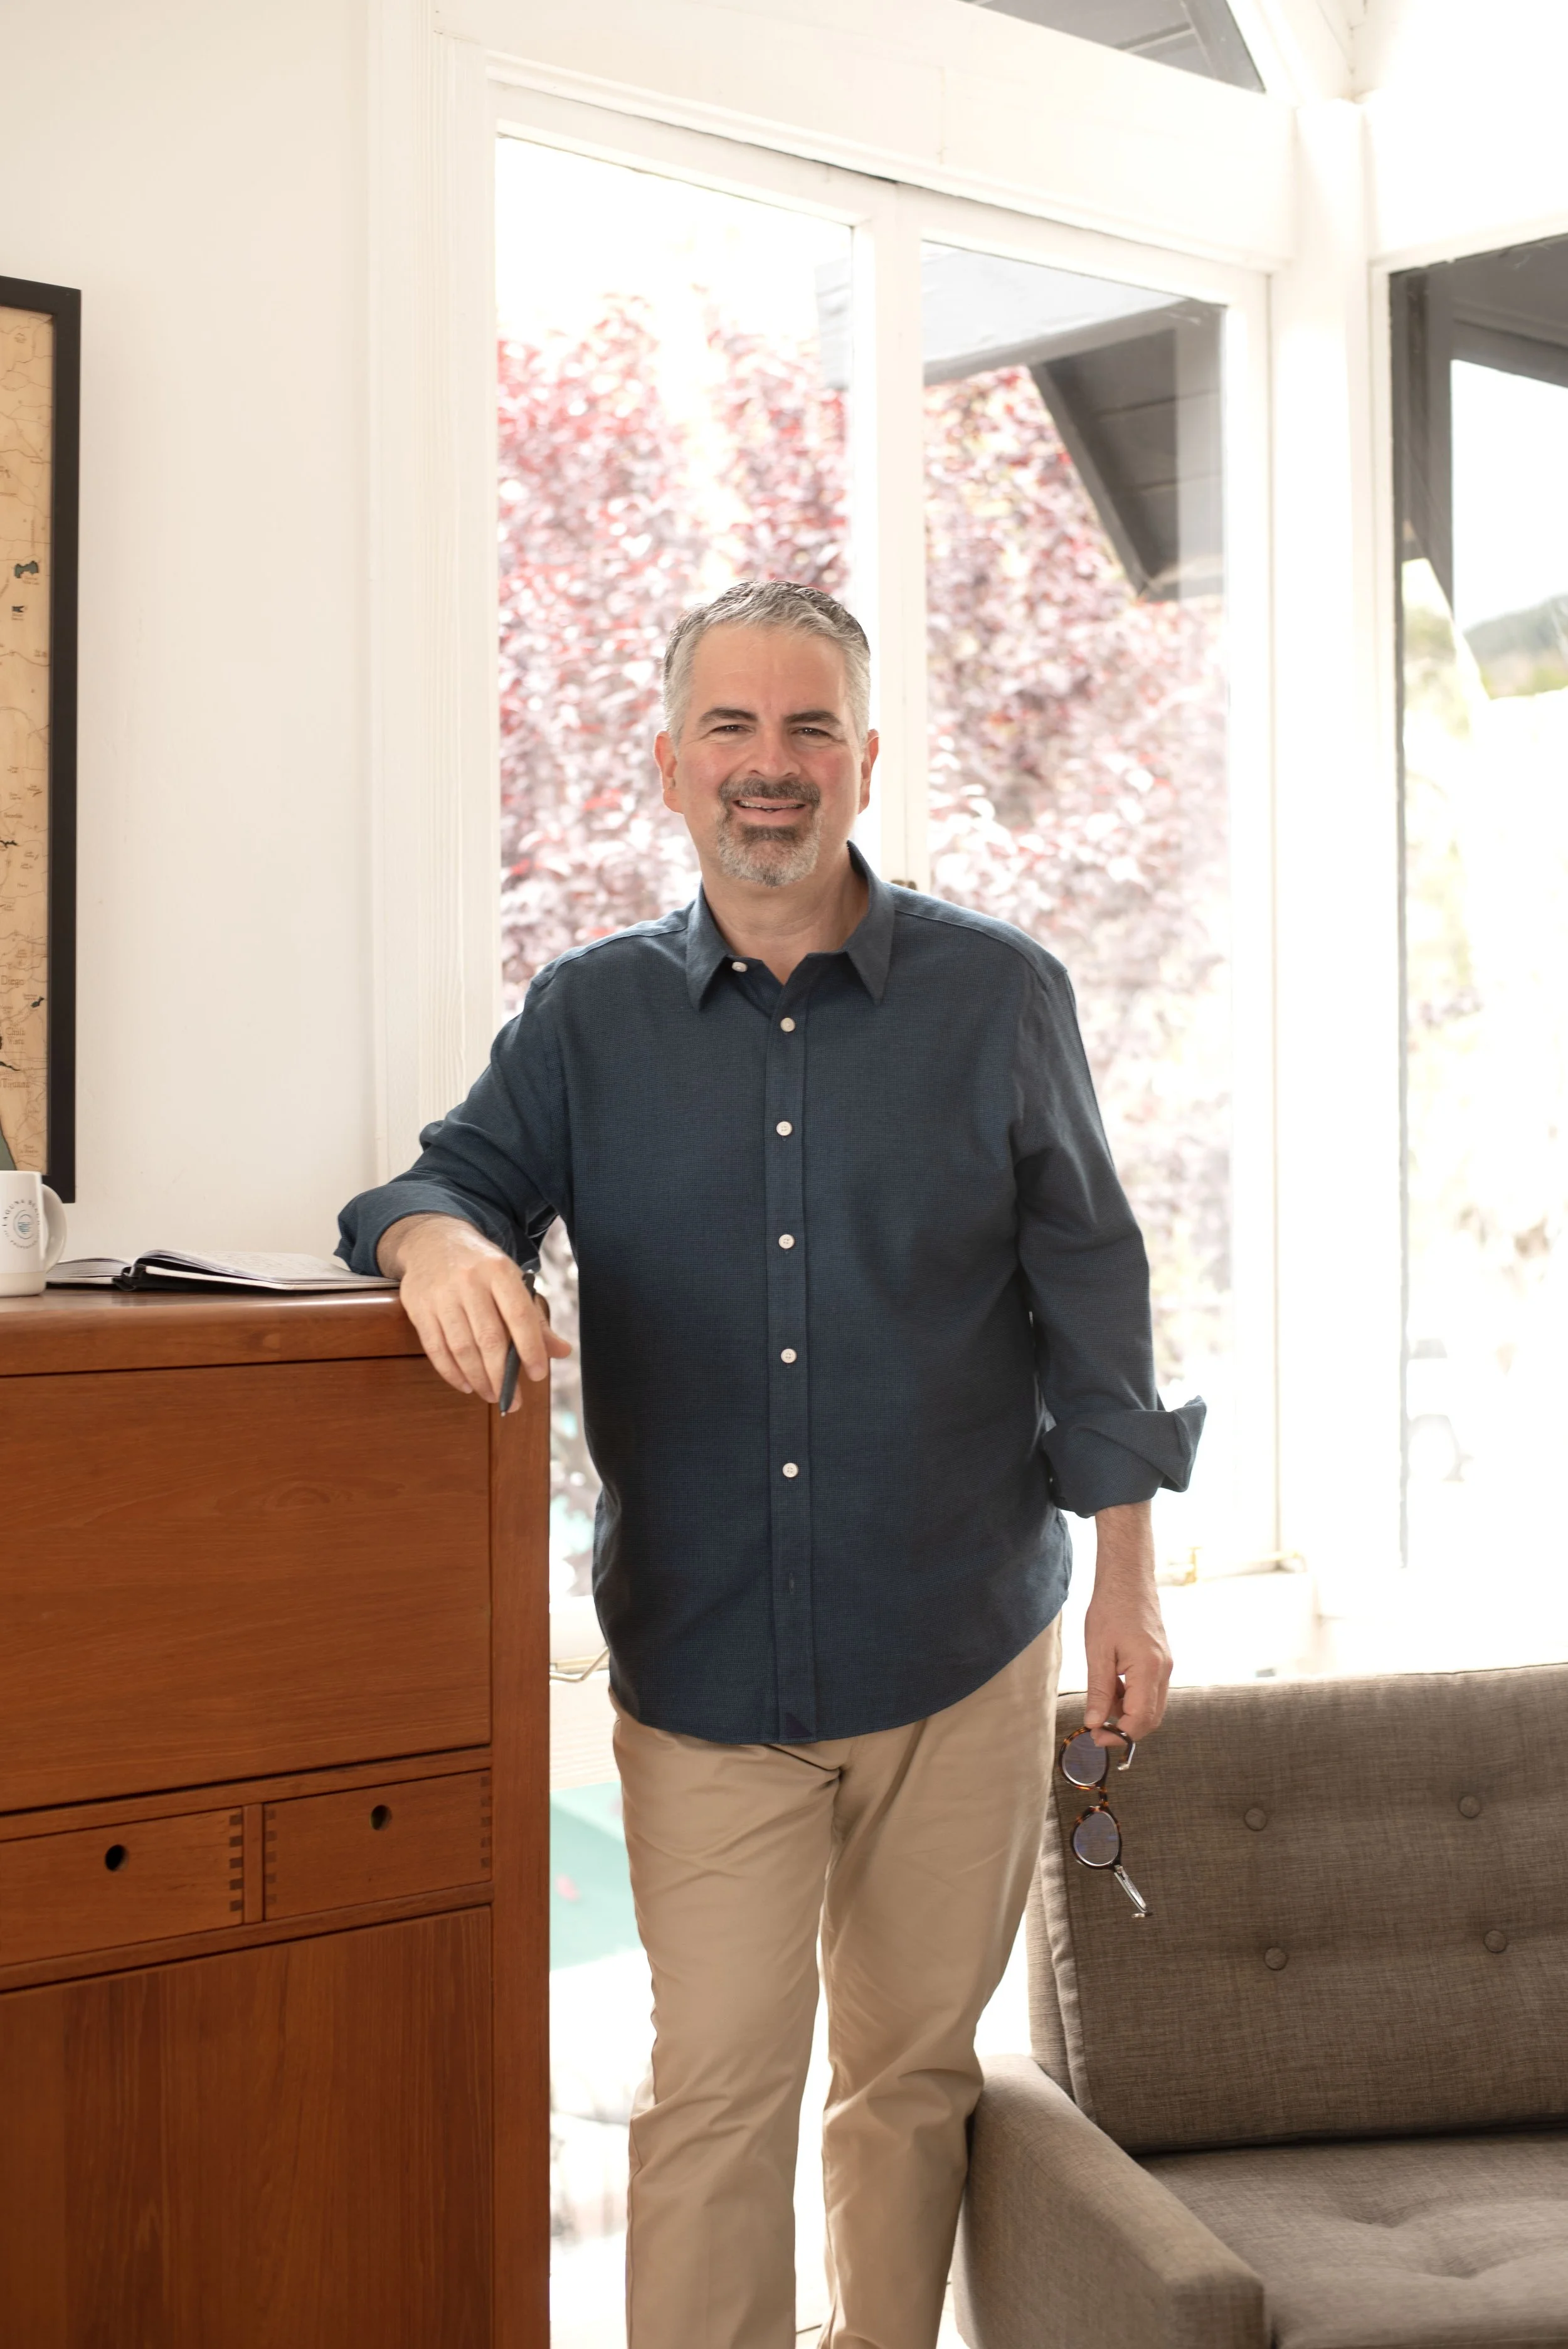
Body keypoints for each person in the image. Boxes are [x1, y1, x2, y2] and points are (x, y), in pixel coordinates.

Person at [337, 578, 1202, 2349]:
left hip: (958, 1646)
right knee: (714, 2099)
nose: (769, 765)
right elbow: (435, 1184)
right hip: (706, 1661)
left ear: (864, 762)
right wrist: (438, 1248)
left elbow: (1092, 1297)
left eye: (808, 727)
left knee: (907, 2082)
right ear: (669, 766)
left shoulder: (1000, 997)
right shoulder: (586, 1021)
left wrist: (1127, 1585)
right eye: (729, 727)